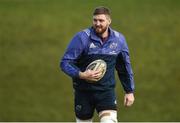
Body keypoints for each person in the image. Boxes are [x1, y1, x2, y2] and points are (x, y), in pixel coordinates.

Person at [60, 6, 135, 123]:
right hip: (83, 92)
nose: (97, 23)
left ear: (109, 21)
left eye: (101, 20)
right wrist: (81, 74)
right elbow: (65, 62)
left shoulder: (119, 40)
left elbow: (124, 67)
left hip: (106, 92)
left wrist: (129, 91)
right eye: (95, 20)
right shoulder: (81, 38)